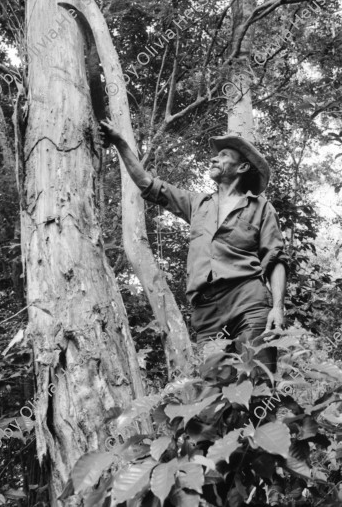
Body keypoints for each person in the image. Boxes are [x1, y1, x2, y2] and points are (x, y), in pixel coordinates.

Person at [100, 121, 289, 377]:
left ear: (242, 167)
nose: (215, 158)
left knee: (258, 382)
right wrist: (120, 142)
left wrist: (277, 307)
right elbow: (147, 183)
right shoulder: (198, 203)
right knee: (213, 395)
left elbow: (275, 258)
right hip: (207, 312)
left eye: (224, 155)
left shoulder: (260, 207)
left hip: (248, 301)